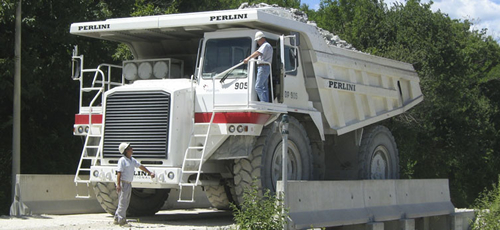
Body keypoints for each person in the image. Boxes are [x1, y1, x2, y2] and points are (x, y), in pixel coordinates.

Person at [114, 142, 155, 226]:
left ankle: (116, 218)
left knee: (125, 201)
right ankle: (122, 221)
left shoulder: (132, 160)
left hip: (128, 183)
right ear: (125, 151)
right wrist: (118, 185)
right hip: (123, 183)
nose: (131, 149)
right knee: (123, 202)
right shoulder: (122, 160)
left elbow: (140, 166)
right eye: (129, 148)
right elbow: (119, 173)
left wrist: (149, 172)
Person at [244, 31, 273, 102]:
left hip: (263, 67)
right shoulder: (267, 45)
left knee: (258, 87)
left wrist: (248, 58)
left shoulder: (265, 45)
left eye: (257, 40)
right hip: (265, 67)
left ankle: (263, 102)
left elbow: (258, 53)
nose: (257, 42)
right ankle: (266, 102)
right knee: (264, 87)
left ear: (261, 39)